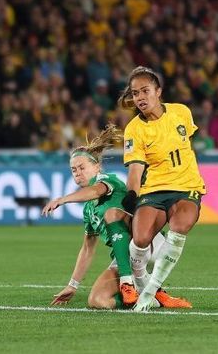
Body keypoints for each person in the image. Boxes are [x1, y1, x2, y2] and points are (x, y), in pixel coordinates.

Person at [41, 125, 190, 309]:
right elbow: (87, 249)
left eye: (82, 167)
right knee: (97, 301)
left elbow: (95, 191)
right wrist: (73, 285)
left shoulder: (108, 180)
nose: (78, 173)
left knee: (112, 214)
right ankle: (153, 299)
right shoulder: (88, 210)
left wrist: (62, 200)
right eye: (73, 170)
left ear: (96, 166)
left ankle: (128, 283)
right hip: (124, 258)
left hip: (146, 244)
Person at [119, 66, 204, 311]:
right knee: (141, 238)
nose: (140, 98)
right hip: (155, 189)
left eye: (145, 91)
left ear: (158, 91)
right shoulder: (134, 128)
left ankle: (150, 292)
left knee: (180, 226)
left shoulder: (182, 113)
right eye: (135, 94)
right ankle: (141, 281)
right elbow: (135, 169)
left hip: (187, 186)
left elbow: (186, 147)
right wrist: (132, 194)